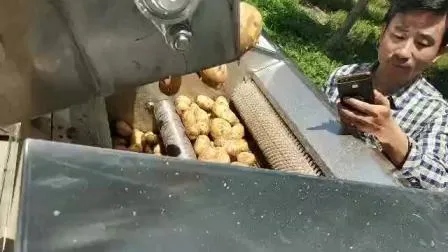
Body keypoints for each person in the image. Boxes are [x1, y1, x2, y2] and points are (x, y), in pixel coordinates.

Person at [324, 0, 448, 190]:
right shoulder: (344, 75)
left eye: (422, 43)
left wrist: (391, 136)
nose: (404, 52)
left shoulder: (436, 113)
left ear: (438, 53)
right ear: (383, 32)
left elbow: (440, 186)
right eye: (399, 35)